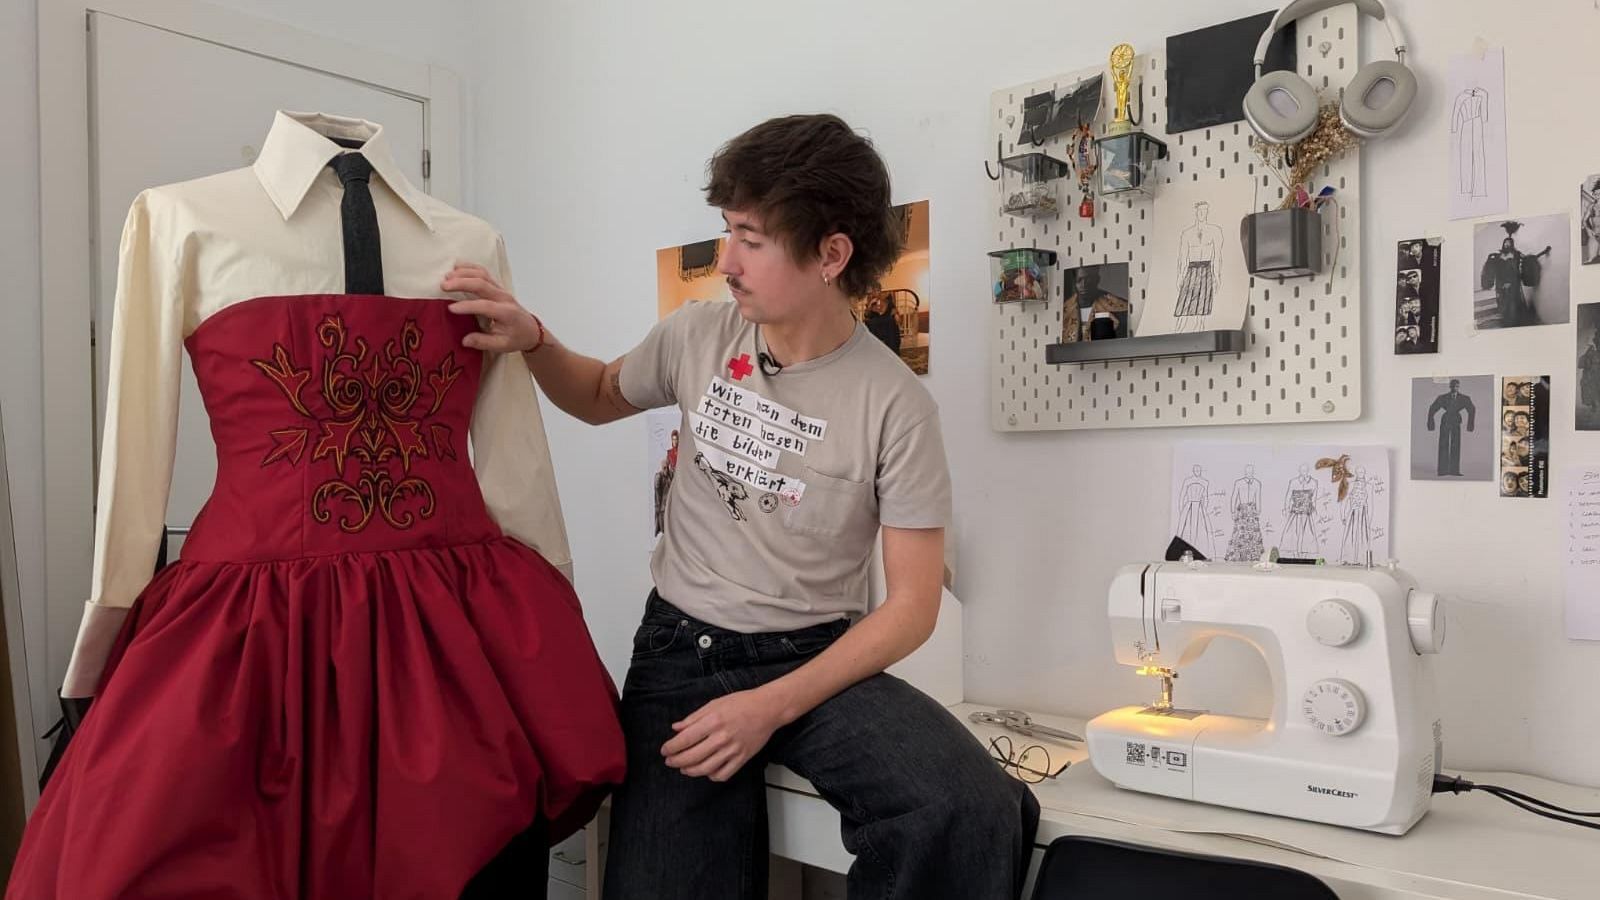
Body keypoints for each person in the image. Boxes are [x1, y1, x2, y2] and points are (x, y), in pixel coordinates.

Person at [442, 113, 1038, 900]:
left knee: (970, 807)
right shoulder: (696, 335)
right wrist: (533, 338)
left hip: (815, 662)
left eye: (750, 238)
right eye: (727, 230)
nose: (726, 261)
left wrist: (768, 706)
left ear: (831, 254)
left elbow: (914, 607)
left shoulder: (895, 405)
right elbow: (591, 395)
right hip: (682, 655)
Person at [1062, 266, 1131, 342]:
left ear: (1097, 280)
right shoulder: (1064, 311)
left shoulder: (1118, 308)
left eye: (1088, 279)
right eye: (1079, 280)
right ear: (1074, 282)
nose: (1084, 285)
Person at [1427, 379, 1475, 477]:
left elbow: (1472, 409)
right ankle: (1442, 470)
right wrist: (1431, 423)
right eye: (1453, 386)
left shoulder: (1464, 398)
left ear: (1459, 387)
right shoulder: (1442, 397)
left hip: (1456, 421)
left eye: (1456, 386)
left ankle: (1454, 471)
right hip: (1445, 421)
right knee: (1443, 444)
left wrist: (1470, 425)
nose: (1454, 388)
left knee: (1455, 445)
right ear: (1450, 386)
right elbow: (1432, 408)